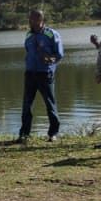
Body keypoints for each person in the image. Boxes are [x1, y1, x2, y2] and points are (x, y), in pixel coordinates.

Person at [17, 8, 64, 143]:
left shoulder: (51, 34)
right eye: (29, 18)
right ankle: (24, 134)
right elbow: (28, 51)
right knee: (27, 105)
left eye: (32, 19)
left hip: (45, 74)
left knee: (50, 104)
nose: (30, 21)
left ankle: (53, 133)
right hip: (30, 73)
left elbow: (59, 54)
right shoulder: (29, 35)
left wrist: (49, 59)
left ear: (40, 19)